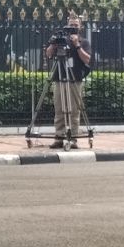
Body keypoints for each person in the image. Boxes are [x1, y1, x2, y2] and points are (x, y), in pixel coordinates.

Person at [43, 13, 91, 149]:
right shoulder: (61, 40)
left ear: (80, 27)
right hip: (59, 77)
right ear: (67, 25)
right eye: (71, 25)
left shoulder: (84, 42)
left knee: (75, 110)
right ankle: (59, 136)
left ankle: (73, 138)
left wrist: (76, 45)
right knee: (59, 109)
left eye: (76, 25)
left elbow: (87, 59)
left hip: (75, 79)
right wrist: (53, 43)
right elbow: (48, 54)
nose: (73, 27)